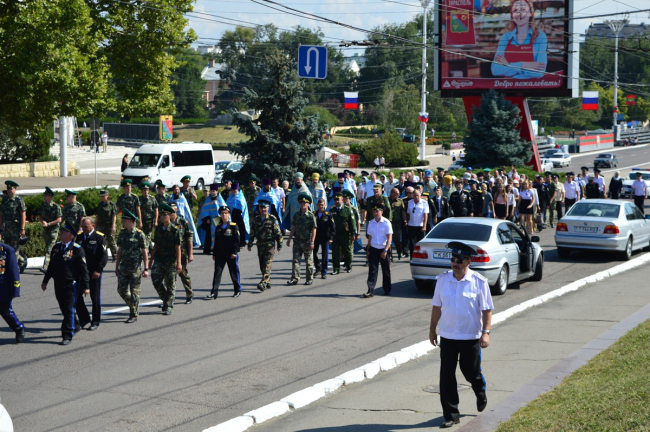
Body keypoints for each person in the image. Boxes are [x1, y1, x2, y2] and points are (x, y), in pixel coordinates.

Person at [429, 242, 493, 428]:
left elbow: (487, 310)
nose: (455, 263)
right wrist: (432, 330)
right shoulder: (442, 280)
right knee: (446, 376)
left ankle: (479, 390)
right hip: (448, 336)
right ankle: (451, 415)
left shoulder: (479, 282)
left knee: (471, 372)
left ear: (469, 262)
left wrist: (486, 333)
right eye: (453, 259)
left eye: (459, 260)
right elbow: (437, 307)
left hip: (470, 337)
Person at [41, 222, 90, 346]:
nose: (61, 233)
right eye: (62, 231)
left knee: (69, 310)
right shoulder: (57, 247)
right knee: (64, 308)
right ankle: (76, 325)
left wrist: (86, 287)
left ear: (71, 235)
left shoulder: (77, 249)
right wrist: (45, 281)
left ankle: (67, 335)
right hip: (58, 283)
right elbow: (51, 266)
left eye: (64, 231)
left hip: (71, 284)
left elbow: (84, 270)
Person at [491, 0, 548, 79]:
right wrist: (524, 65)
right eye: (515, 10)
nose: (519, 14)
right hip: (508, 86)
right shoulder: (505, 38)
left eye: (523, 9)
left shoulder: (540, 37)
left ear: (530, 13)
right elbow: (495, 70)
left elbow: (539, 72)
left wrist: (508, 65)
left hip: (531, 86)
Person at [115, 209, 148, 323]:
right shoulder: (122, 233)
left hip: (135, 268)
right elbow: (120, 250)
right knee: (121, 290)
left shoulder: (139, 234)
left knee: (134, 292)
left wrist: (146, 268)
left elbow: (144, 252)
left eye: (124, 220)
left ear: (130, 221)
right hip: (124, 267)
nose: (123, 222)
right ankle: (133, 307)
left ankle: (133, 314)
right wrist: (117, 266)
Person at [75, 217, 108, 331]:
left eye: (86, 226)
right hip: (81, 272)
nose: (83, 228)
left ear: (93, 226)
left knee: (95, 297)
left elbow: (104, 256)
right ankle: (84, 318)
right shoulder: (79, 237)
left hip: (94, 272)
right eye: (82, 226)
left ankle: (95, 321)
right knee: (77, 296)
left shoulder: (99, 237)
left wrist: (98, 270)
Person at [150, 203, 182, 315]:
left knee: (170, 284)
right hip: (159, 259)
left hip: (170, 260)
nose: (162, 217)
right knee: (156, 280)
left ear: (170, 216)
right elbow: (156, 245)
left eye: (164, 215)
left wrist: (179, 263)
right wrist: (151, 259)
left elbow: (178, 247)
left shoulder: (175, 230)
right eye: (161, 215)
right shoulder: (158, 229)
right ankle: (166, 300)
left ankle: (168, 306)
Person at [248, 200, 283, 291]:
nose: (263, 209)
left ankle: (263, 283)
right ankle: (268, 281)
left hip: (270, 245)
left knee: (267, 264)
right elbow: (252, 232)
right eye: (261, 207)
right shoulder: (256, 219)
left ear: (268, 208)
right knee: (262, 265)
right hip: (260, 245)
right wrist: (250, 243)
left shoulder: (272, 219)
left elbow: (278, 232)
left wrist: (279, 244)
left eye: (265, 207)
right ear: (259, 208)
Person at [208, 205, 242, 299]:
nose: (224, 215)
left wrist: (234, 252)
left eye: (226, 213)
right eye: (222, 213)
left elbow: (237, 240)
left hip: (231, 253)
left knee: (234, 272)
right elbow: (216, 242)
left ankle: (237, 290)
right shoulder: (218, 227)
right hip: (220, 254)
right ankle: (214, 292)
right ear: (220, 215)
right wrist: (214, 253)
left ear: (229, 214)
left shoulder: (233, 226)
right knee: (217, 273)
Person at [286, 194, 317, 286]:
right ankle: (294, 278)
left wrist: (312, 241)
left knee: (309, 262)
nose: (303, 204)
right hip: (297, 241)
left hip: (307, 242)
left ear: (308, 204)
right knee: (296, 261)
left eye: (305, 203)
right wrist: (289, 238)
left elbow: (314, 229)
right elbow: (294, 227)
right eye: (301, 203)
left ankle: (309, 279)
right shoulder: (297, 215)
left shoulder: (311, 216)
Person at [363, 203, 392, 298]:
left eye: (377, 211)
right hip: (374, 249)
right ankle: (370, 290)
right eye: (374, 212)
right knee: (372, 270)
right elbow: (370, 238)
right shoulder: (371, 223)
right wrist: (368, 250)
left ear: (381, 212)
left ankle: (387, 289)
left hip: (384, 249)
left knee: (386, 270)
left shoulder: (386, 222)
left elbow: (389, 238)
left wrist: (385, 250)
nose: (375, 213)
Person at [0, 235, 24, 344]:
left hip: (3, 289)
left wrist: (15, 290)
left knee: (6, 312)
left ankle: (18, 329)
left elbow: (14, 272)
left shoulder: (7, 250)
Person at [169, 202, 194, 304]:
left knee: (183, 274)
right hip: (169, 253)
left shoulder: (183, 222)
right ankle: (169, 299)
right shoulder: (166, 223)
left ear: (176, 210)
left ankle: (189, 294)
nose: (170, 212)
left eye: (172, 210)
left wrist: (190, 254)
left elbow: (189, 238)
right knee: (169, 276)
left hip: (182, 252)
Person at [0, 180, 27, 271]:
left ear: (15, 189)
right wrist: (0, 228)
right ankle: (22, 261)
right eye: (8, 188)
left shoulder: (19, 200)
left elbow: (23, 214)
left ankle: (13, 269)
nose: (9, 190)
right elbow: (1, 215)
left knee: (14, 249)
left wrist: (22, 228)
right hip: (7, 229)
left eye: (11, 188)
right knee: (7, 248)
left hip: (16, 229)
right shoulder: (5, 201)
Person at [330, 192, 356, 275]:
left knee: (347, 251)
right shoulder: (332, 211)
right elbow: (329, 224)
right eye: (335, 200)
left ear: (342, 200)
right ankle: (336, 269)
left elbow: (352, 222)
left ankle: (348, 266)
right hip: (335, 235)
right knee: (335, 252)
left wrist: (353, 234)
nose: (337, 201)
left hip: (345, 234)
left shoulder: (347, 210)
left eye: (338, 199)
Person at [39, 186, 62, 273]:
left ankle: (45, 267)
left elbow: (59, 219)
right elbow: (39, 217)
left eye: (46, 195)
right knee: (50, 249)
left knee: (49, 249)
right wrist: (43, 221)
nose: (44, 196)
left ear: (50, 196)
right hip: (46, 231)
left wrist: (49, 224)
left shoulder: (56, 207)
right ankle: (56, 264)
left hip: (53, 230)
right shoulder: (42, 205)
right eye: (44, 195)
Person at [313, 198, 335, 279]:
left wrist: (331, 237)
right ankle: (318, 267)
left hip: (325, 237)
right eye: (319, 205)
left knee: (324, 255)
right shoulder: (314, 214)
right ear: (317, 205)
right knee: (313, 253)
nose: (321, 206)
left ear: (325, 205)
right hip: (316, 237)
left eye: (322, 205)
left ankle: (324, 272)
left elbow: (332, 227)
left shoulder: (328, 214)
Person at [405, 190, 429, 258]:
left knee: (420, 243)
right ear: (412, 195)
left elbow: (425, 215)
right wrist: (407, 224)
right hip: (411, 225)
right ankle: (412, 258)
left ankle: (420, 257)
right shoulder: (410, 202)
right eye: (415, 195)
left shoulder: (424, 202)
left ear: (420, 195)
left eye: (417, 195)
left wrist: (424, 226)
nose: (416, 197)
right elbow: (408, 214)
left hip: (420, 226)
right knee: (412, 243)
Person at [96, 190, 118, 261]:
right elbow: (97, 215)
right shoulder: (100, 204)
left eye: (103, 196)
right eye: (101, 196)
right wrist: (95, 225)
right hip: (101, 225)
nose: (102, 197)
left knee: (111, 241)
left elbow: (114, 215)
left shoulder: (111, 204)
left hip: (109, 225)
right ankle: (101, 256)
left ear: (107, 195)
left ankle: (115, 256)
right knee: (100, 241)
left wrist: (113, 226)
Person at [138, 181, 158, 257]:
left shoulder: (152, 199)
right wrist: (139, 221)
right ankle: (151, 250)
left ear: (148, 190)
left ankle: (145, 251)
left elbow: (156, 210)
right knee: (143, 236)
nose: (145, 191)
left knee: (148, 236)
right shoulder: (139, 199)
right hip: (141, 220)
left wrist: (155, 221)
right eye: (144, 190)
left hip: (149, 221)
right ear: (141, 191)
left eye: (147, 190)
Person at [389, 188, 407, 260]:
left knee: (397, 239)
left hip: (397, 223)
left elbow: (403, 211)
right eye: (397, 193)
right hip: (388, 222)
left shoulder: (400, 201)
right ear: (392, 193)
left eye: (398, 193)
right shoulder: (387, 200)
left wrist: (405, 220)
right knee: (388, 239)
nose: (398, 194)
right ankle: (390, 255)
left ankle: (399, 252)